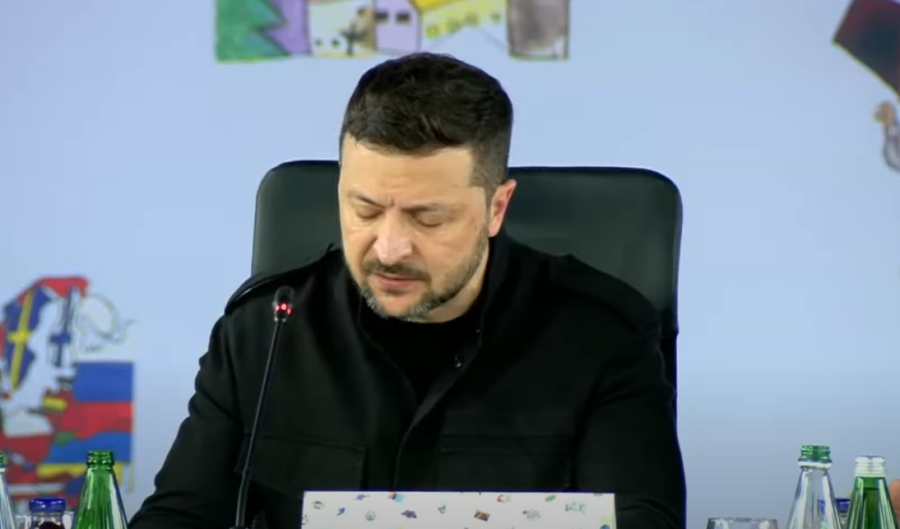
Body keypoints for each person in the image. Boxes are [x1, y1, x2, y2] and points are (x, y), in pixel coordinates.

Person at [128, 52, 685, 529]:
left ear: (497, 208)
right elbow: (179, 517)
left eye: (427, 218)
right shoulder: (264, 332)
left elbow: (641, 519)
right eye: (365, 210)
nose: (390, 248)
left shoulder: (602, 336)